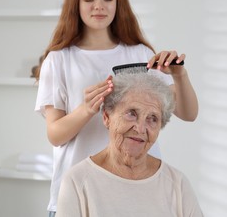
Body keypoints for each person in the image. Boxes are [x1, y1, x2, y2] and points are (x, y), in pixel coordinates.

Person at [34, 0, 199, 215]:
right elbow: (55, 135)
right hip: (80, 197)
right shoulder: (59, 60)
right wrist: (87, 109)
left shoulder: (141, 53)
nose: (98, 6)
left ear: (117, 3)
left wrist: (180, 76)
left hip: (139, 192)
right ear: (75, 4)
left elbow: (188, 113)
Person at [56, 71, 203, 217]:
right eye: (131, 113)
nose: (140, 128)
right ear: (107, 117)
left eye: (152, 118)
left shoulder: (177, 183)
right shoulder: (78, 181)